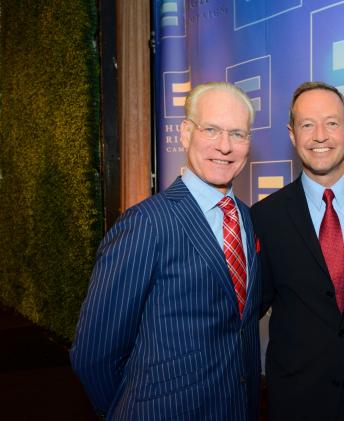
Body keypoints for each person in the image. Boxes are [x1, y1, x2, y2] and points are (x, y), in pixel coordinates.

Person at [70, 82, 261, 420]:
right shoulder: (146, 223)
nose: (225, 146)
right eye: (211, 130)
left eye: (238, 134)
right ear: (186, 133)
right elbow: (94, 352)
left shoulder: (245, 218)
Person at [251, 81, 344, 421]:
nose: (320, 136)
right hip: (298, 402)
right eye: (307, 124)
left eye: (332, 123)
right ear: (292, 134)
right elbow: (249, 310)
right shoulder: (264, 217)